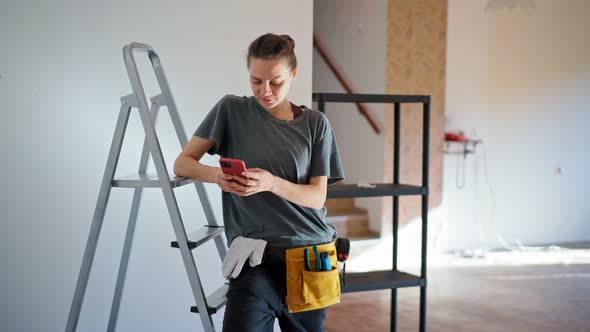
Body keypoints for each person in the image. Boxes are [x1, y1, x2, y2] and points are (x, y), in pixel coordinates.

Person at [174, 33, 344, 332]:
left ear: (294, 73)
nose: (265, 91)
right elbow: (182, 163)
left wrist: (271, 183)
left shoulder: (315, 124)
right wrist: (217, 176)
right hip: (254, 258)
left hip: (310, 258)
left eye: (275, 82)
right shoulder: (231, 110)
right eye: (256, 81)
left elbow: (317, 198)